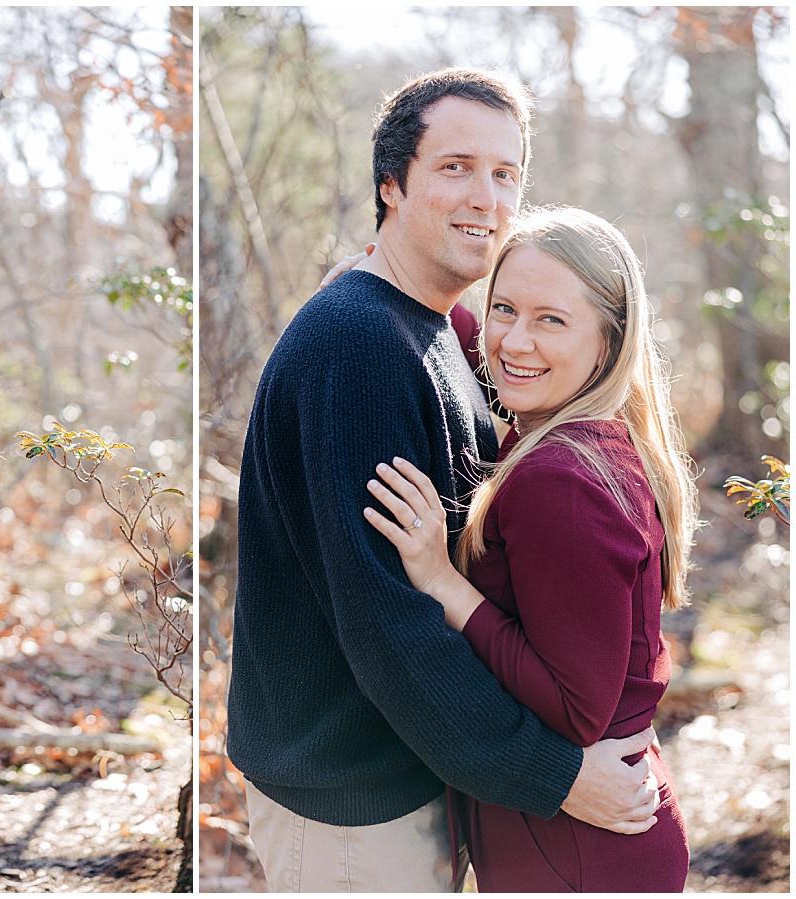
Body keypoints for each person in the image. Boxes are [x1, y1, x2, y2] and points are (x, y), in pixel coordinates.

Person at [226, 68, 660, 893]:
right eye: (455, 167)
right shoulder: (357, 347)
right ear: (390, 183)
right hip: (353, 800)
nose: (487, 199)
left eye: (506, 174)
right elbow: (389, 622)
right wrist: (555, 774)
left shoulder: (430, 326)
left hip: (415, 769)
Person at [365, 206, 696, 890]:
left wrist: (441, 579)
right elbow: (494, 345)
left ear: (606, 342)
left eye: (552, 320)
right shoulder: (575, 426)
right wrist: (389, 278)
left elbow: (576, 707)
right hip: (586, 836)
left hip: (582, 855)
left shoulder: (562, 478)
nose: (515, 341)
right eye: (504, 309)